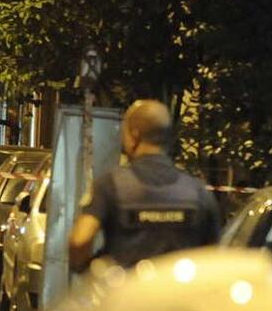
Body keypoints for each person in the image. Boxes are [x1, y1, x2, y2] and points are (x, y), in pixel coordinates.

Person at [67, 99, 222, 274]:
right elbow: (213, 255)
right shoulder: (197, 191)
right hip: (179, 290)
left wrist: (86, 270)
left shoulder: (111, 184)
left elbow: (80, 240)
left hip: (126, 289)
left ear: (134, 135)